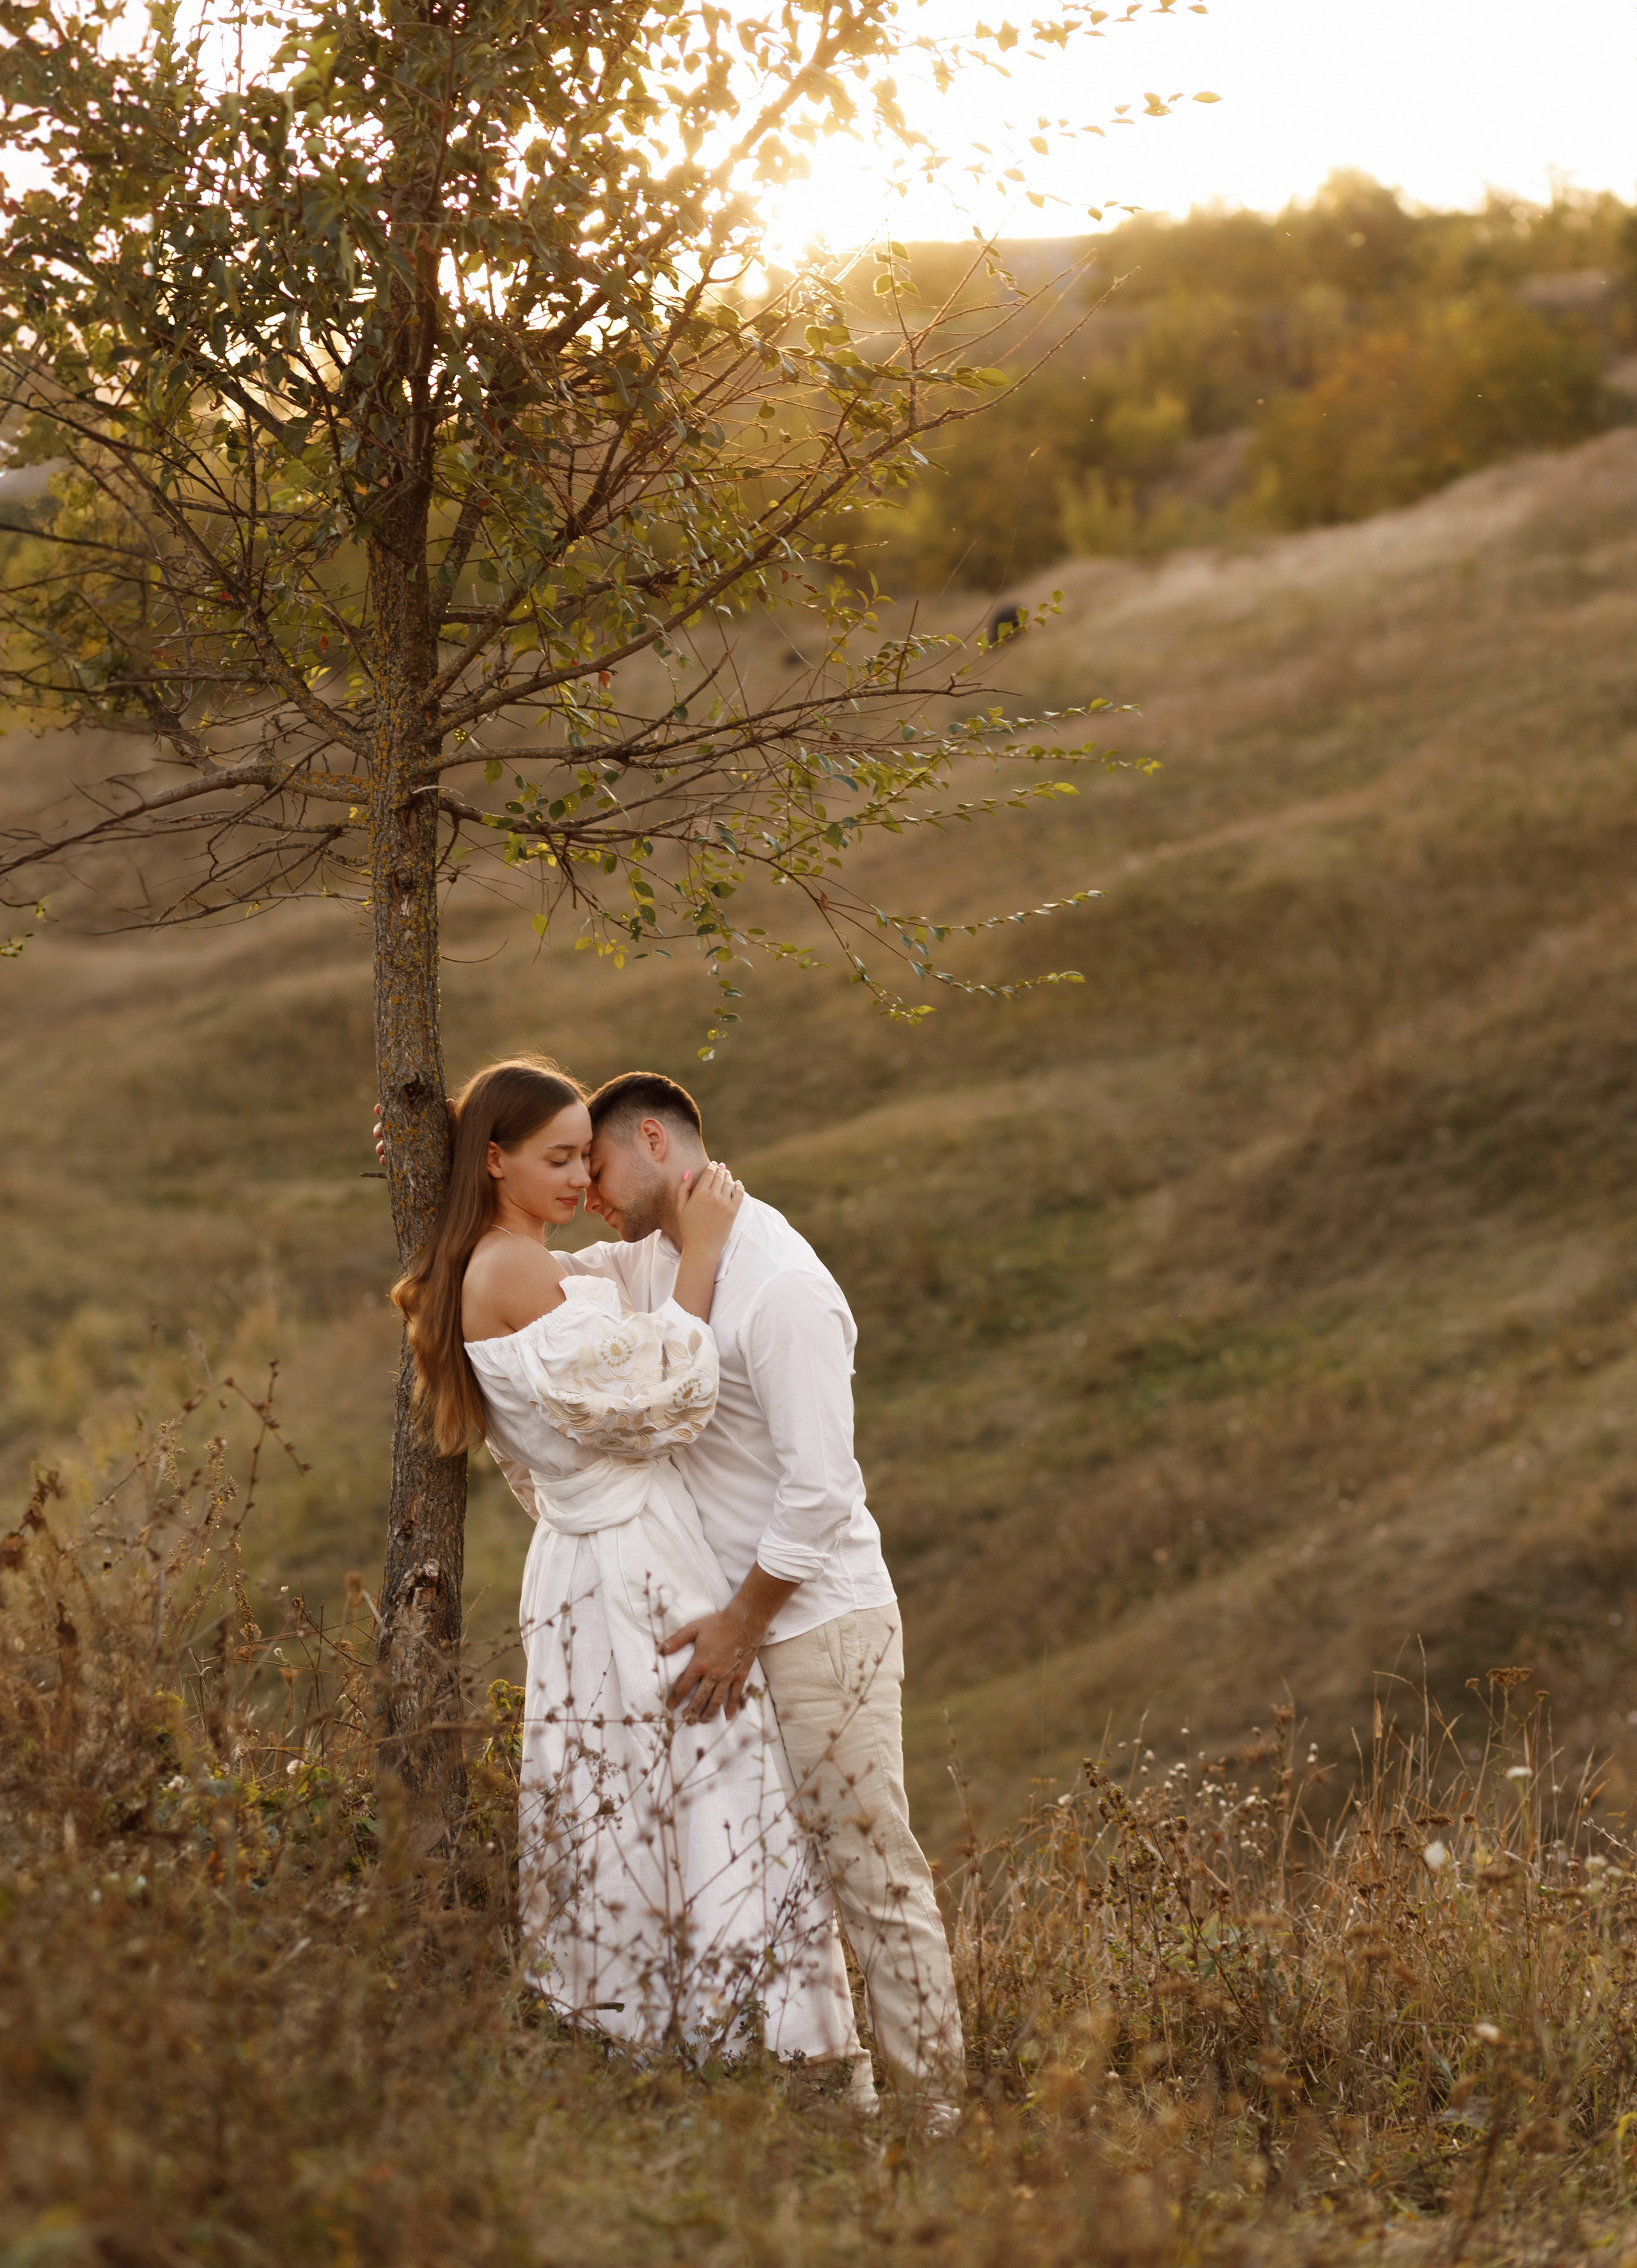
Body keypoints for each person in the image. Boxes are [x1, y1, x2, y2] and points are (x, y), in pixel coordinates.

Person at [389, 1057, 865, 2079]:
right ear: (498, 1161)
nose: (579, 1184)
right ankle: (750, 2048)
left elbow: (614, 1326)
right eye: (559, 1160)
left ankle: (679, 2038)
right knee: (706, 1780)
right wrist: (703, 1250)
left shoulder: (530, 1263)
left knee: (658, 1789)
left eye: (585, 1159)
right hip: (631, 1562)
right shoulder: (509, 1270)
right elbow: (659, 1393)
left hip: (606, 1554)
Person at [563, 1071, 966, 2129]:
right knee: (779, 1888)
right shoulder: (651, 1259)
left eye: (596, 1167)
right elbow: (527, 1270)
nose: (589, 1193)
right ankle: (843, 2117)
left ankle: (939, 2134)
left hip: (820, 1628)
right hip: (735, 1631)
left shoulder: (781, 1284)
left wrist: (744, 1623)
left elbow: (823, 1491)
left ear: (655, 1142)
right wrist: (447, 1161)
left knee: (872, 1878)